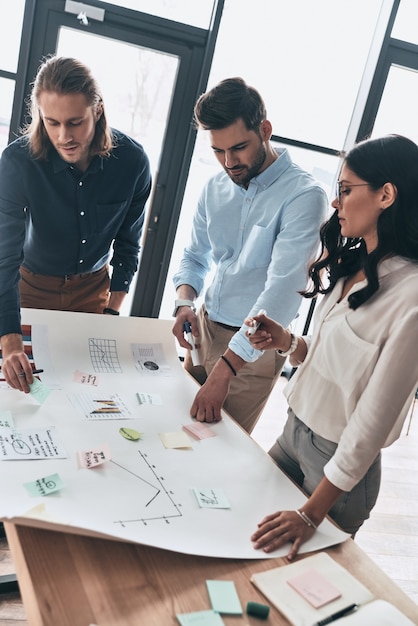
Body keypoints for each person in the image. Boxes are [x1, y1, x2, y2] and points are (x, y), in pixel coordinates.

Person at [246, 134, 418, 559]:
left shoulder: (411, 299)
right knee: (246, 539)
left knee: (296, 582)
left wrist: (311, 514)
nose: (335, 203)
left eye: (345, 189)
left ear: (386, 194)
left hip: (338, 472)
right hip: (291, 435)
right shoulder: (353, 265)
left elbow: (371, 424)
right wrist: (287, 342)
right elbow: (334, 361)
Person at [172, 77, 328, 433]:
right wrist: (183, 304)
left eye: (239, 147)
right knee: (177, 434)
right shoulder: (214, 187)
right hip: (205, 329)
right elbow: (195, 257)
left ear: (266, 130)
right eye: (218, 151)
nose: (229, 162)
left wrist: (227, 367)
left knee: (218, 449)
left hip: (253, 352)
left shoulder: (304, 196)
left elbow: (282, 293)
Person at [0, 56, 152, 393]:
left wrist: (111, 313)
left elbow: (128, 244)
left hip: (92, 291)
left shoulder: (132, 162)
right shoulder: (17, 162)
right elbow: (5, 259)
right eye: (51, 122)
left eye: (74, 122)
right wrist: (9, 343)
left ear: (97, 110)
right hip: (29, 288)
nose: (62, 136)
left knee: (83, 390)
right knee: (21, 389)